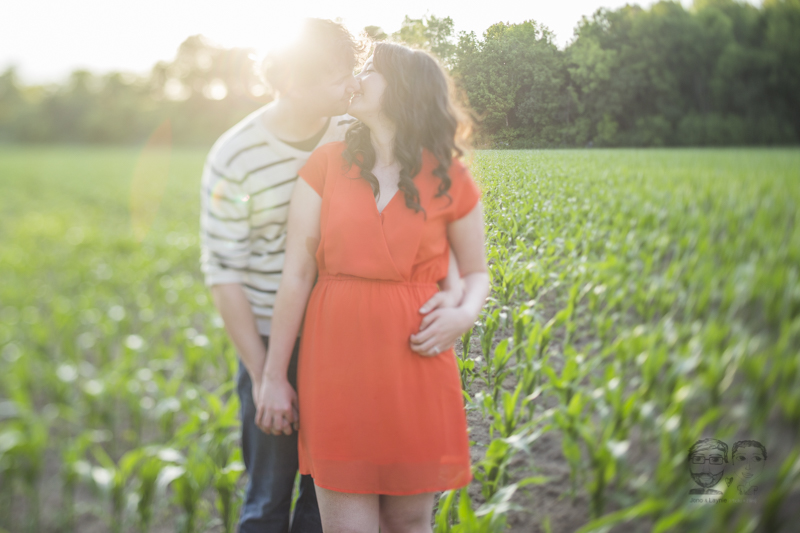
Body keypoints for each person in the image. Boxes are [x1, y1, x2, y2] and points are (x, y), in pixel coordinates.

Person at [199, 21, 463, 533]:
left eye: (356, 73)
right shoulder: (234, 156)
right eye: (341, 77)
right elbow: (224, 273)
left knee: (326, 504)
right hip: (270, 338)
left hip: (340, 342)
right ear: (296, 83)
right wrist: (265, 376)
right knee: (268, 498)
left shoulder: (351, 133)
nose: (353, 85)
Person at [257, 42, 490, 532]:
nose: (356, 77)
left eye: (369, 69)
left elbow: (475, 274)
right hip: (337, 370)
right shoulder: (326, 164)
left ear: (403, 89)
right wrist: (274, 375)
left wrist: (465, 314)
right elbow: (296, 274)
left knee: (408, 523)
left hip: (417, 366)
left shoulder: (449, 175)